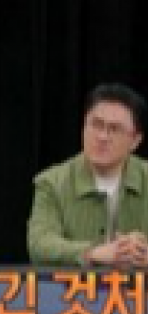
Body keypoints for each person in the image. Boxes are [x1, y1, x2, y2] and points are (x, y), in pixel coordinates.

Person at [28, 83, 148, 266]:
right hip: (75, 284)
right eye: (96, 125)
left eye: (114, 129)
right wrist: (92, 253)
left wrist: (141, 252)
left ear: (135, 141)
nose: (102, 137)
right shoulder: (52, 182)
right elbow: (39, 244)